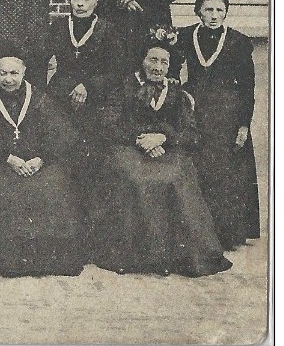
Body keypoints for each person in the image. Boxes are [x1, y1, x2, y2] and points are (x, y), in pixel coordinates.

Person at [89, 33, 233, 277]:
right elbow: (107, 124)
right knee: (136, 178)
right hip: (129, 147)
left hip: (167, 149)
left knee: (176, 177)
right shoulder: (124, 87)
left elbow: (191, 132)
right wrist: (140, 139)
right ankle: (137, 257)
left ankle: (174, 255)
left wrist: (164, 137)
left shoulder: (177, 93)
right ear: (142, 61)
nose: (157, 67)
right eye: (152, 60)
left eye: (164, 62)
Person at [0, 44, 86, 277]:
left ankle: (50, 257)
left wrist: (40, 159)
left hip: (38, 162)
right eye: (2, 73)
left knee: (54, 188)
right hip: (0, 162)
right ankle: (13, 259)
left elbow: (61, 133)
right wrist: (9, 158)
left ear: (24, 72)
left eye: (14, 73)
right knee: (7, 191)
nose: (8, 79)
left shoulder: (40, 97)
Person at [175, 0, 259, 250]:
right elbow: (173, 71)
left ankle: (226, 233)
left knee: (224, 172)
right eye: (208, 10)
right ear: (199, 10)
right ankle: (195, 230)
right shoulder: (185, 36)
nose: (213, 16)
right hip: (195, 110)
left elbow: (248, 88)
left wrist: (243, 125)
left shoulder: (238, 42)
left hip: (226, 115)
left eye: (219, 11)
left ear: (226, 12)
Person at [42, 0, 127, 177]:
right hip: (64, 94)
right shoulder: (60, 26)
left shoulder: (108, 30)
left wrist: (88, 86)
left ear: (96, 1)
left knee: (95, 152)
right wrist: (69, 87)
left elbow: (117, 70)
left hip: (98, 98)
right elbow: (44, 58)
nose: (80, 4)